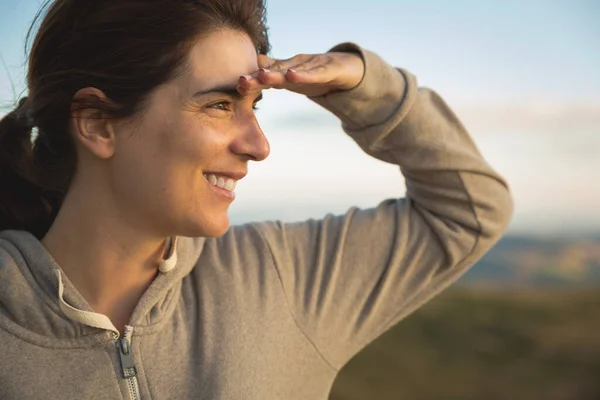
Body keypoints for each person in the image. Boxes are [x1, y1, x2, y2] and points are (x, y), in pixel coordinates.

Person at [0, 0, 513, 399]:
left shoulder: (284, 279)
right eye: (221, 104)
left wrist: (363, 84)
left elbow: (468, 211)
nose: (259, 145)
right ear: (96, 122)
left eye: (254, 105)